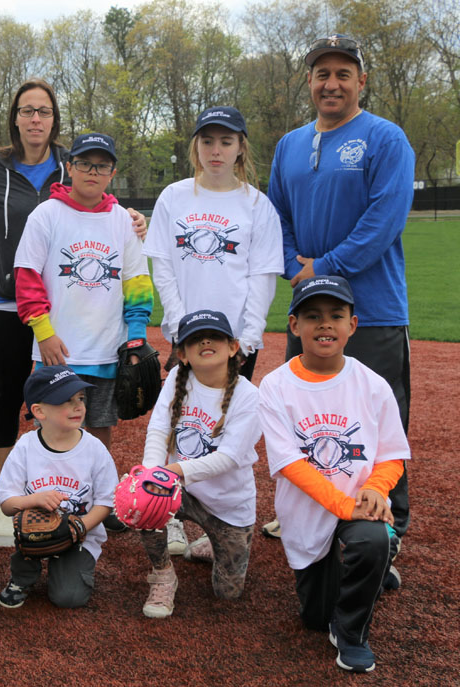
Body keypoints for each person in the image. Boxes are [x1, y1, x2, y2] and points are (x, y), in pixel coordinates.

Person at [0, 79, 147, 477]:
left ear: (55, 119)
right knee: (10, 390)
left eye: (44, 111)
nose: (36, 118)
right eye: (27, 110)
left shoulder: (68, 161)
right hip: (13, 297)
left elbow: (96, 196)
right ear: (16, 118)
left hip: (66, 303)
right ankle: (3, 479)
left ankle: (79, 481)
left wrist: (128, 216)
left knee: (73, 395)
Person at [266, 34, 414, 546]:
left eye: (343, 74)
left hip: (370, 310)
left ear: (361, 81)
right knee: (307, 418)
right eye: (322, 74)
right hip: (307, 308)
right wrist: (292, 266)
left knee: (376, 423)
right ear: (309, 81)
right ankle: (307, 515)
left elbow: (383, 221)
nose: (332, 84)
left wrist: (322, 267)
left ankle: (385, 530)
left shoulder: (385, 138)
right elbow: (276, 216)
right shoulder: (288, 145)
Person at [258, 275, 408, 673]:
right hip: (311, 511)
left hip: (357, 507)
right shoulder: (274, 387)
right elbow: (289, 464)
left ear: (351, 326)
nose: (325, 324)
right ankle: (365, 572)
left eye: (336, 315)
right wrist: (344, 506)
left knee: (372, 537)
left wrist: (375, 489)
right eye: (312, 316)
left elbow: (393, 454)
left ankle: (353, 630)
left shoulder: (372, 385)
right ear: (294, 326)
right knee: (312, 619)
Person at [13, 132, 153, 452]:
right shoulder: (46, 215)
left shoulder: (123, 221)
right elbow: (27, 277)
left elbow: (137, 284)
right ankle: (49, 492)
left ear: (112, 174)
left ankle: (96, 494)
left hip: (106, 349)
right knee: (51, 429)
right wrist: (44, 333)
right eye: (85, 164)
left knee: (100, 427)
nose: (93, 172)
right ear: (69, 167)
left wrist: (136, 335)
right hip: (56, 350)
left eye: (102, 166)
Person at [133, 310, 261, 619]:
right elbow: (159, 429)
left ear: (233, 347)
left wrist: (173, 471)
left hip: (228, 503)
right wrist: (152, 473)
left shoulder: (250, 396)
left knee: (228, 594)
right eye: (195, 338)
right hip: (182, 492)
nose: (205, 341)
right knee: (144, 499)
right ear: (183, 354)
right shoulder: (179, 378)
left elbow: (228, 458)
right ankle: (164, 575)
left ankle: (212, 541)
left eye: (215, 336)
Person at [145, 106, 283, 381]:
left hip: (236, 338)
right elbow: (164, 271)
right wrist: (179, 330)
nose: (216, 150)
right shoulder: (173, 197)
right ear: (196, 146)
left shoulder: (257, 205)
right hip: (186, 336)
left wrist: (247, 340)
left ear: (241, 146)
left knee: (232, 420)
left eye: (226, 141)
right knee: (186, 421)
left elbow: (262, 279)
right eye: (207, 141)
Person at [0, 365, 117, 609]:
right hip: (33, 536)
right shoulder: (26, 447)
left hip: (81, 536)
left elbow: (106, 502)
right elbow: (7, 503)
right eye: (65, 401)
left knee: (68, 598)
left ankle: (69, 569)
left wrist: (80, 526)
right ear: (39, 411)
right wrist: (33, 500)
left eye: (80, 398)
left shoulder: (94, 449)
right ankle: (23, 577)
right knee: (30, 533)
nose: (77, 406)